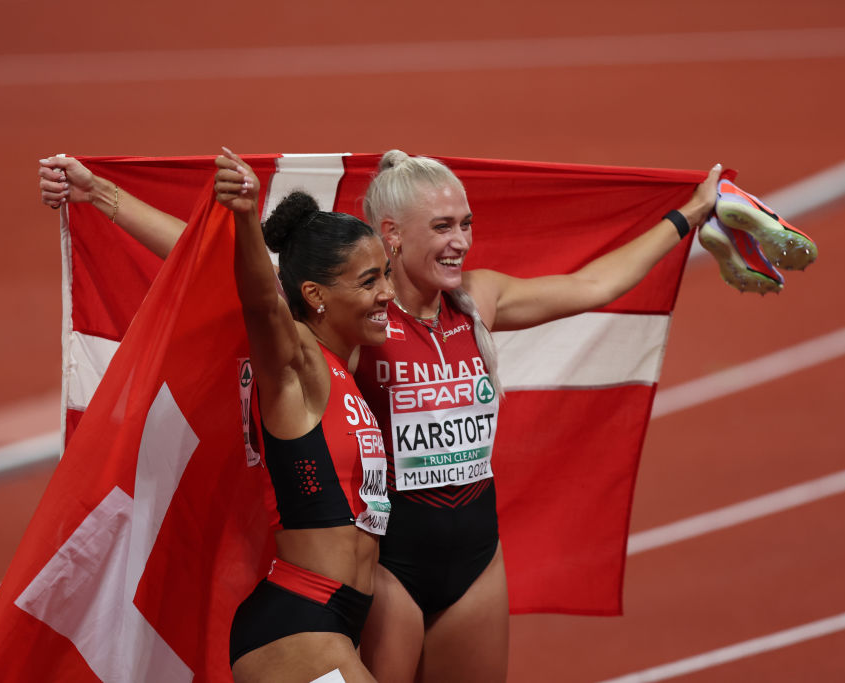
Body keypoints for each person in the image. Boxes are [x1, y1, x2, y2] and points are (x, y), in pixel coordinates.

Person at [39, 151, 722, 682]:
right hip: (387, 566)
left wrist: (689, 215)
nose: (460, 242)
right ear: (391, 236)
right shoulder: (355, 319)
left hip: (477, 556)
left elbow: (595, 284)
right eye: (444, 227)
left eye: (467, 225)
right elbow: (231, 276)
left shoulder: (479, 300)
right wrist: (104, 196)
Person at [215, 149, 393, 682]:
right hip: (296, 626)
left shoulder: (345, 362)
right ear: (315, 296)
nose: (387, 292)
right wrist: (246, 218)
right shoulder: (297, 366)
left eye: (385, 274)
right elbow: (259, 302)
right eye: (369, 282)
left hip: (337, 619)